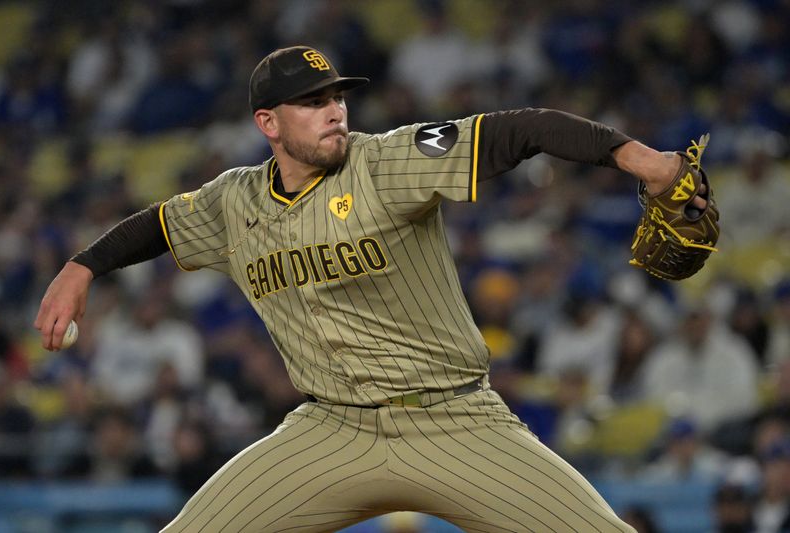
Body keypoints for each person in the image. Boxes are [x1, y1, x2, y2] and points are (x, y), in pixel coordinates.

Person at [35, 46, 710, 532]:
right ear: (268, 123)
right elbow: (157, 225)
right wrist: (82, 266)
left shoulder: (386, 160)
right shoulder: (232, 200)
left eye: (336, 96)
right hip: (332, 427)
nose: (333, 111)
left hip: (455, 421)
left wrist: (641, 159)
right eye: (311, 102)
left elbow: (521, 130)